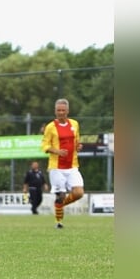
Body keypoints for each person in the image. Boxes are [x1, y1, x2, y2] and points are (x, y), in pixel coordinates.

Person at [41, 98, 85, 229]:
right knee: (61, 195)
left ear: (68, 111)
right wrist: (57, 151)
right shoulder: (50, 127)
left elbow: (77, 141)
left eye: (63, 110)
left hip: (72, 165)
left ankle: (59, 205)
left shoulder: (75, 124)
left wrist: (78, 147)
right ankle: (59, 222)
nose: (61, 112)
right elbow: (45, 145)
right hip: (56, 167)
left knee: (79, 193)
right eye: (58, 110)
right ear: (55, 111)